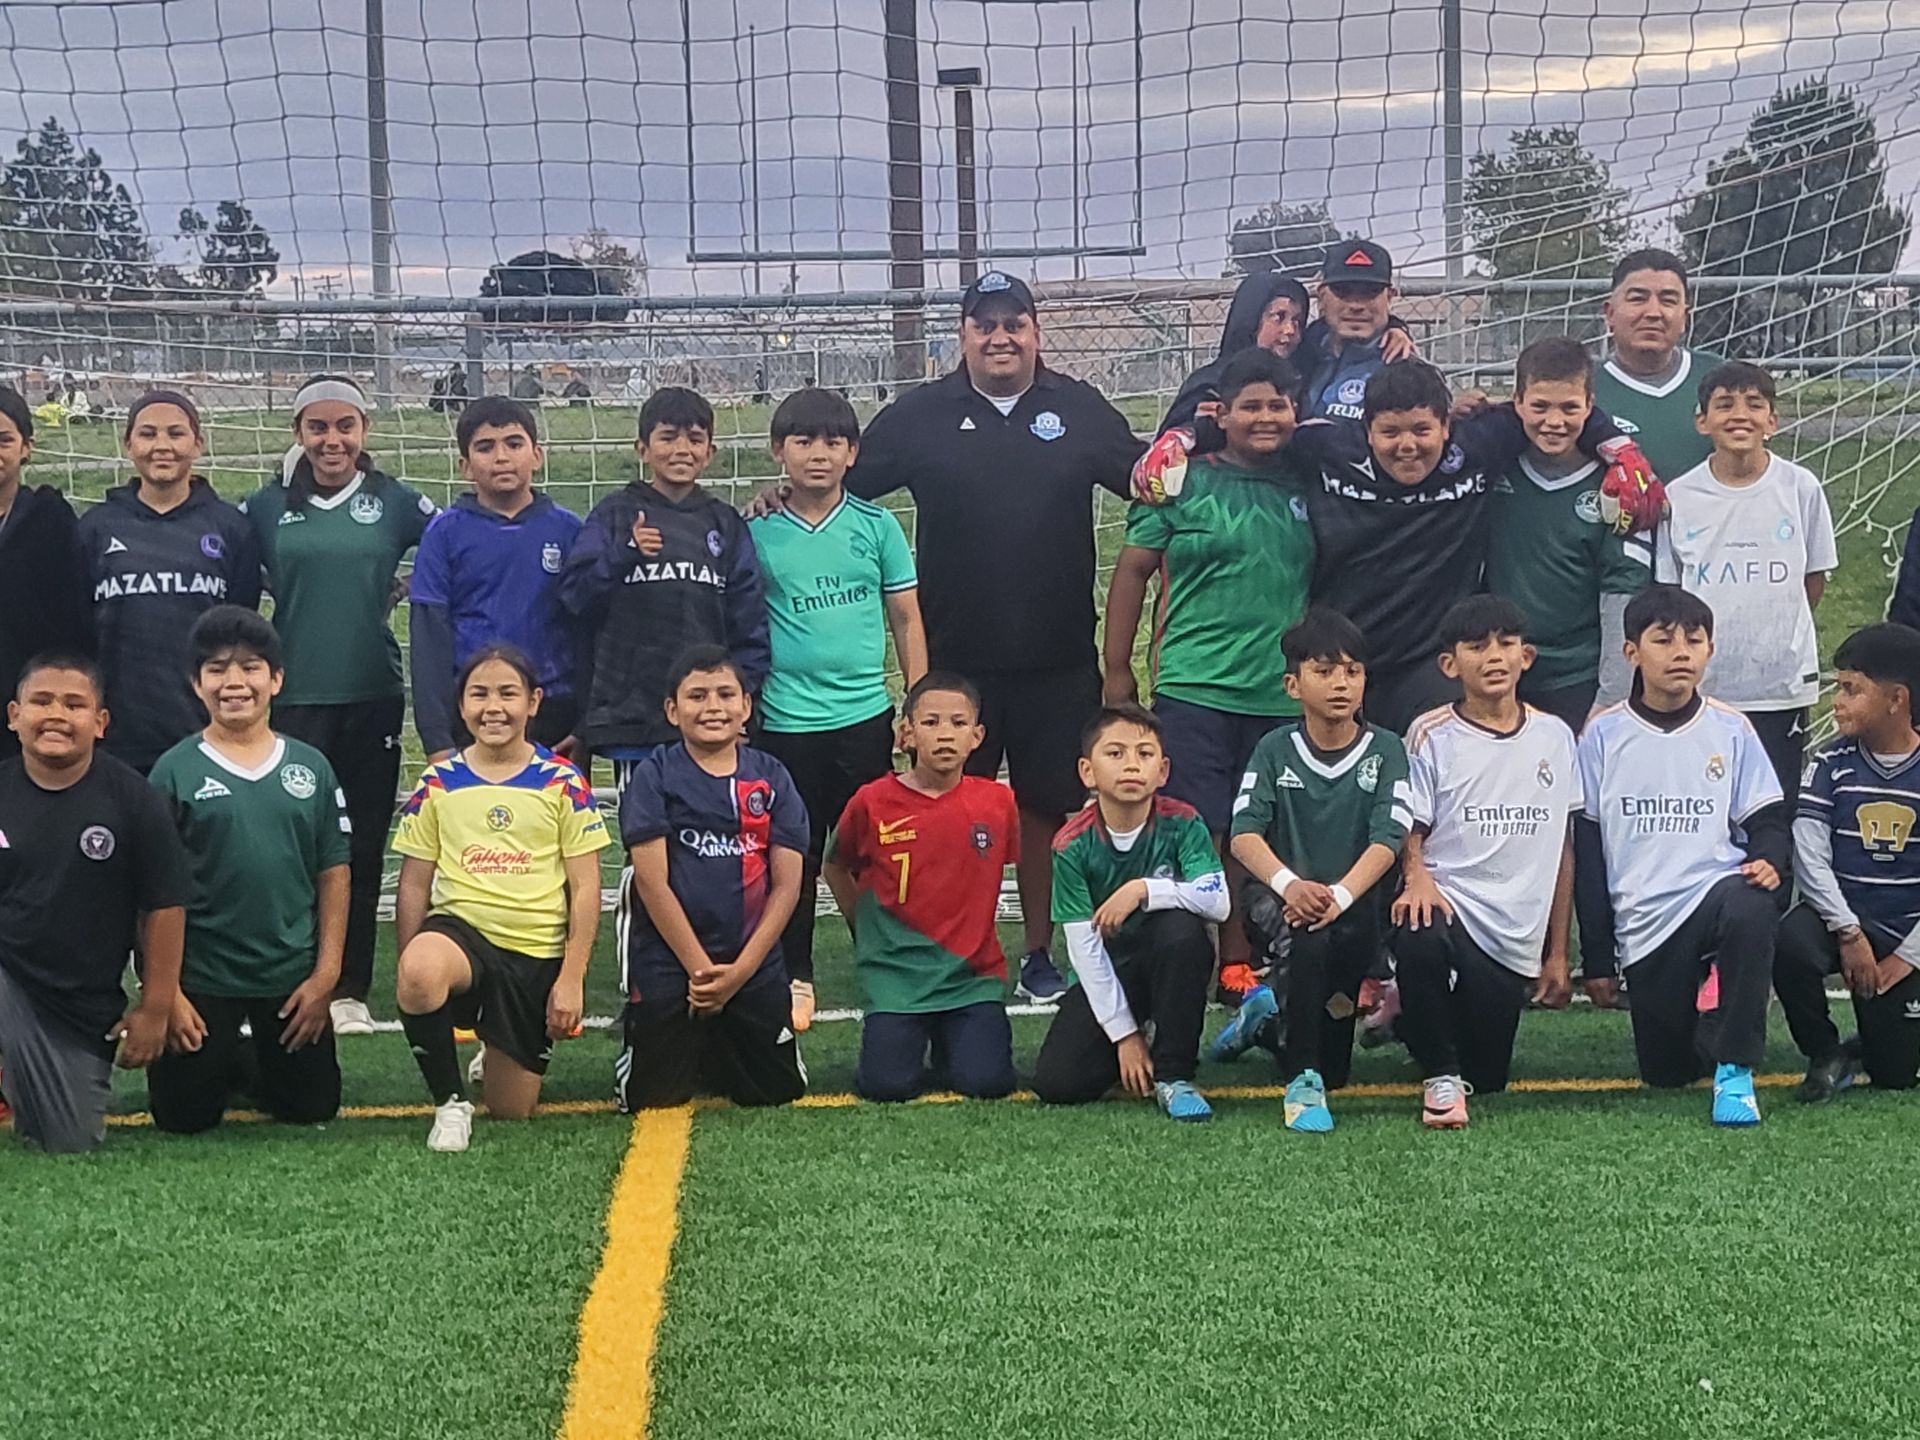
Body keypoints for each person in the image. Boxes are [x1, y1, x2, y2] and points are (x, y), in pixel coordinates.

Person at [808, 270, 1145, 1004]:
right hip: (957, 666)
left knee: (1044, 810)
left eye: (1013, 323)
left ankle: (1037, 952)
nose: (1000, 337)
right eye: (984, 325)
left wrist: (1203, 433)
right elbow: (840, 485)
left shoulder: (1078, 409)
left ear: (1035, 332)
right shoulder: (923, 414)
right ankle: (941, 944)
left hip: (1058, 659)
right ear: (962, 335)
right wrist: (780, 495)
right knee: (946, 805)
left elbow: (1148, 481)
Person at [1103, 347, 1313, 992]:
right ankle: (1226, 955)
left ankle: (1282, 948)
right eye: (1250, 405)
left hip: (1281, 690)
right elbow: (1132, 573)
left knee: (1270, 828)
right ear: (1220, 413)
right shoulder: (1179, 480)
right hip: (1195, 683)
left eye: (1277, 405)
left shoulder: (1307, 481)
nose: (1265, 417)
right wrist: (1116, 672)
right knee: (1208, 825)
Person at [241, 373, 437, 1037]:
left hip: (371, 697)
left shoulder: (396, 503)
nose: (332, 440)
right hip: (291, 701)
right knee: (289, 846)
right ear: (298, 433)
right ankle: (286, 971)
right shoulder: (266, 508)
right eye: (318, 427)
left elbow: (453, 542)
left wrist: (412, 582)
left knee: (361, 845)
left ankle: (350, 983)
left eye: (344, 426)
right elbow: (242, 582)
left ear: (364, 432)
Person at [1574, 585, 1786, 1126]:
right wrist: (1598, 959)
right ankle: (1709, 1006)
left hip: (1715, 889)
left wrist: (1768, 857)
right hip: (1645, 918)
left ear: (1710, 650)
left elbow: (1766, 819)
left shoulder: (1731, 728)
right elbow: (1590, 851)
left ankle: (1736, 1069)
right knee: (1667, 1072)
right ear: (1630, 654)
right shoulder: (1602, 736)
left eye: (1694, 640)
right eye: (1663, 640)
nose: (1681, 653)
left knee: (1752, 903)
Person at [749, 387, 926, 1031]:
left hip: (863, 718)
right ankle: (796, 973)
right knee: (790, 853)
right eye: (803, 441)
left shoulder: (877, 527)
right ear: (779, 451)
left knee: (866, 852)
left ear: (852, 453)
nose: (817, 454)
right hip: (785, 723)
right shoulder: (757, 529)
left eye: (832, 442)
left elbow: (906, 618)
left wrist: (920, 702)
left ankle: (883, 957)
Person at [391, 645, 608, 1152]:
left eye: (508, 694)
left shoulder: (562, 781)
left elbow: (587, 885)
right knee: (422, 970)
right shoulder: (439, 782)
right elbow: (414, 882)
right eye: (479, 694)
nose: (494, 707)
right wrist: (409, 962)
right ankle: (449, 1103)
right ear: (461, 706)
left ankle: (498, 1048)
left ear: (533, 703)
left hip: (533, 955)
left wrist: (571, 978)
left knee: (512, 1111)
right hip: (461, 938)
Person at [145, 608, 350, 1133]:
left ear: (276, 679)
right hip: (202, 976)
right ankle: (223, 1057)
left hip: (288, 976)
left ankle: (247, 1058)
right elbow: (148, 891)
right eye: (216, 669)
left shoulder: (311, 767)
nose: (234, 682)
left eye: (251, 667)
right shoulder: (174, 770)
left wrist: (324, 979)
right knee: (183, 1118)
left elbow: (334, 873)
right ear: (196, 684)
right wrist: (167, 992)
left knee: (310, 1109)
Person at [1216, 610, 1411, 1133]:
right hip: (1277, 898)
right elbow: (1244, 834)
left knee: (1338, 1065)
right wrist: (1291, 886)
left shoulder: (1387, 749)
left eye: (1352, 671)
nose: (1341, 683)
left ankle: (1266, 1024)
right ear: (1292, 684)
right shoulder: (1275, 749)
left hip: (1351, 903)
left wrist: (1339, 897)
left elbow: (1388, 839)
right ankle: (1301, 1082)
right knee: (1307, 939)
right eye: (1324, 671)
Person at [1391, 597, 1580, 1129]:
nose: (1493, 657)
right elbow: (1411, 826)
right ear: (1450, 665)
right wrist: (1417, 877)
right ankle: (1440, 1080)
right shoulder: (1430, 733)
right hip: (1451, 904)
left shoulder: (1556, 737)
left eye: (1505, 644)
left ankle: (1408, 1018)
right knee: (1417, 929)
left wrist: (1558, 953)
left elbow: (1562, 848)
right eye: (1476, 647)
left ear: (1527, 656)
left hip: (1513, 931)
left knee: (1490, 1075)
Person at [0, 653, 188, 1152]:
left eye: (74, 704)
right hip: (6, 973)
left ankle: (22, 1078)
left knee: (69, 1140)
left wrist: (156, 1006)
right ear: (14, 716)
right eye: (41, 701)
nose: (57, 714)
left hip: (75, 1006)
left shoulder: (135, 800)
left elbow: (164, 907)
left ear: (100, 723)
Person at [617, 646, 808, 1111]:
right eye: (696, 696)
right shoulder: (654, 775)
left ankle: (723, 1039)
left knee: (775, 1093)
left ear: (746, 705)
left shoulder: (772, 777)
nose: (713, 707)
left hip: (751, 959)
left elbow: (788, 885)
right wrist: (702, 972)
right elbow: (652, 882)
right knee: (651, 1097)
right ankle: (661, 1034)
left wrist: (741, 972)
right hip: (673, 958)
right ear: (672, 710)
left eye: (726, 694)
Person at [823, 673, 1018, 1102]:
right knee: (887, 1087)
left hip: (970, 977)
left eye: (958, 723)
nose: (945, 734)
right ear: (905, 734)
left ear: (977, 736)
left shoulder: (998, 803)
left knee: (988, 1083)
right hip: (896, 978)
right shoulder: (872, 802)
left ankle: (955, 1044)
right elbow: (836, 866)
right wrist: (867, 932)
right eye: (930, 722)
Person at [560, 386, 767, 782]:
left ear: (710, 452)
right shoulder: (615, 515)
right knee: (644, 830)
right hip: (633, 716)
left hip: (709, 717)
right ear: (642, 449)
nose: (681, 449)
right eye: (668, 437)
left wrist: (742, 701)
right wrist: (624, 553)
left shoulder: (724, 524)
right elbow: (574, 597)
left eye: (694, 439)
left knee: (707, 831)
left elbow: (750, 622)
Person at [1031, 705, 1226, 1120]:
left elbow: (1218, 902)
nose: (1131, 765)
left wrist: (1143, 890)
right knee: (1059, 1083)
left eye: (1144, 753)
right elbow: (1084, 949)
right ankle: (1144, 1029)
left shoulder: (1184, 823)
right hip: (1113, 972)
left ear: (1163, 770)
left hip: (1170, 961)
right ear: (1087, 771)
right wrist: (1124, 1035)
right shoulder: (1071, 844)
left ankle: (1174, 1074)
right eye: (1115, 754)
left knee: (1182, 930)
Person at [1656, 360, 1835, 803]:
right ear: (1702, 421)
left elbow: (1812, 581)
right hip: (1707, 682)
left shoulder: (1801, 488)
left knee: (1778, 802)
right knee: (1708, 798)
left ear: (1772, 420)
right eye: (1724, 405)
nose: (1740, 415)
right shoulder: (1680, 496)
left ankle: (1777, 873)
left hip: (1778, 685)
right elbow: (1672, 591)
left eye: (1754, 405)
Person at [75, 391, 263, 774]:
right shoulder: (96, 528)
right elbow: (79, 629)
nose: (162, 446)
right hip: (118, 733)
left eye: (176, 433)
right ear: (128, 445)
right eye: (148, 434)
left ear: (198, 444)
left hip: (207, 729)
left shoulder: (231, 528)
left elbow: (238, 628)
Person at [1775, 622, 1920, 1101]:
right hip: (1845, 919)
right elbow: (1810, 851)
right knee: (1790, 942)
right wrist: (1847, 930)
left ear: (1896, 700)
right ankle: (1824, 1050)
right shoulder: (1830, 763)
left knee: (1895, 1076)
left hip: (1908, 930)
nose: (1837, 702)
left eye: (1852, 690)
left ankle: (1879, 1039)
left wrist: (1907, 955)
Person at [1487, 336, 1652, 730]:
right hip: (1497, 670)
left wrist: (1612, 697)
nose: (1554, 421)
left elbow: (1623, 590)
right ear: (1518, 402)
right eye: (1540, 406)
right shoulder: (1493, 468)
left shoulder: (1616, 486)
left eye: (1569, 408)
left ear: (1590, 406)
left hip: (1576, 677)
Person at [409, 396, 583, 759]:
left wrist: (585, 726)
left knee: (550, 814)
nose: (501, 457)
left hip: (554, 709)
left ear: (537, 455)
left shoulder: (569, 531)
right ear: (465, 466)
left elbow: (589, 631)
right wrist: (437, 739)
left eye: (514, 444)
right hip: (475, 708)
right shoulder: (444, 533)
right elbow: (429, 637)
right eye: (485, 447)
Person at [1156, 271, 1416, 436]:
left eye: (1298, 321)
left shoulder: (1302, 369)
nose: (1289, 330)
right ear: (1250, 318)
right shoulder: (1210, 383)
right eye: (1278, 317)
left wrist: (1394, 327)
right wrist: (1193, 433)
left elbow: (1342, 324)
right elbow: (1171, 445)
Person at [0, 386, 92, 761]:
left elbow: (72, 618)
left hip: (29, 705)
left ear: (26, 448)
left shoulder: (50, 519)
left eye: (4, 440)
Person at [1593, 248, 1727, 480]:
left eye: (1668, 301)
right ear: (1610, 313)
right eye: (1638, 299)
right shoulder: (1582, 384)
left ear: (1685, 317)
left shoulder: (1720, 377)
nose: (1654, 313)